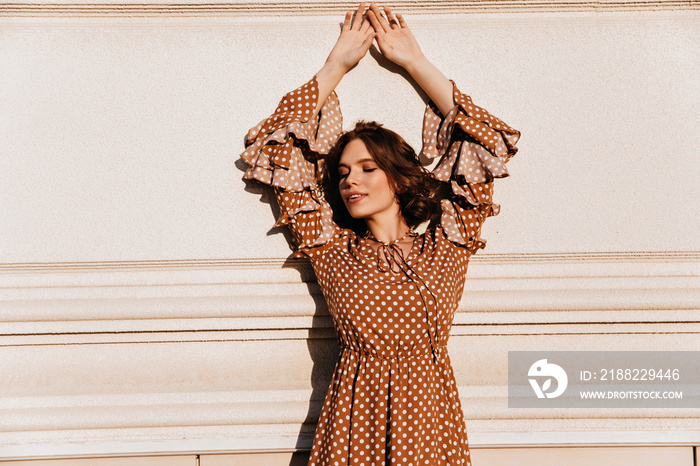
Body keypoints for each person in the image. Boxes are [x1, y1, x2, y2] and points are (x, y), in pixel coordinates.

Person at [240, 3, 520, 465]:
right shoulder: (332, 249)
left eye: (368, 168)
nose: (351, 180)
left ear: (398, 178)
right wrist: (337, 65)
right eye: (344, 171)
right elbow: (276, 147)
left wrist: (415, 63)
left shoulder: (447, 244)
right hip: (355, 426)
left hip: (431, 426)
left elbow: (486, 143)